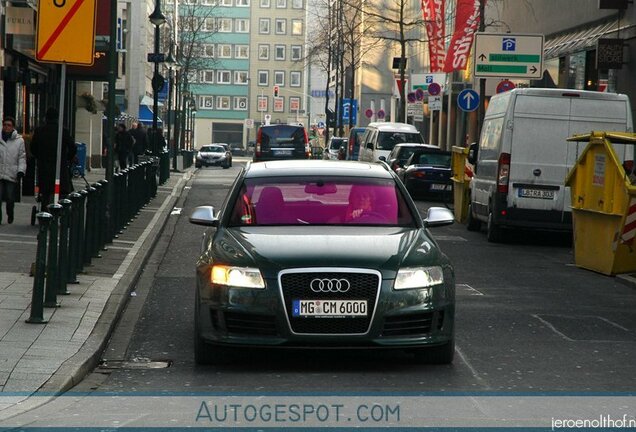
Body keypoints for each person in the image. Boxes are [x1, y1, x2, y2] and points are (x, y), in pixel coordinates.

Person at [30, 107, 76, 208]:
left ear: (46, 118)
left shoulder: (40, 131)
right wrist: (67, 158)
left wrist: (39, 156)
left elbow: (33, 148)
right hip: (60, 166)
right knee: (60, 190)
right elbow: (72, 147)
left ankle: (44, 210)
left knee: (45, 192)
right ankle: (59, 211)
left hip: (44, 166)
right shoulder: (63, 131)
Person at [0, 117, 26, 224]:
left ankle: (10, 213)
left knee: (10, 198)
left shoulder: (19, 141)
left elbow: (22, 157)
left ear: (13, 127)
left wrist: (21, 171)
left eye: (9, 125)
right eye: (5, 124)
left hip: (11, 173)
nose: (6, 127)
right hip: (0, 172)